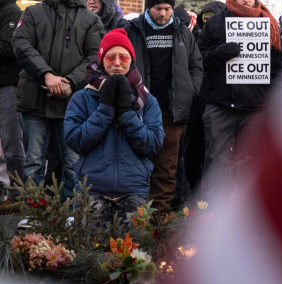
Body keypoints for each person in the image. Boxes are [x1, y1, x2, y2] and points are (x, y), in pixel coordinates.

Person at [64, 29, 164, 229]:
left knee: (134, 247)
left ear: (131, 60)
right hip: (92, 189)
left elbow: (153, 144)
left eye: (123, 57)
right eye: (111, 57)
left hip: (134, 189)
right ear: (102, 60)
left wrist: (126, 113)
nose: (117, 63)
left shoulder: (146, 100)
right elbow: (75, 140)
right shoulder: (82, 98)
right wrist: (105, 110)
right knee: (92, 247)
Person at [12, 0, 104, 201]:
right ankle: (33, 211)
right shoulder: (33, 12)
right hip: (35, 99)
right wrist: (45, 74)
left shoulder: (90, 19)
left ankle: (71, 212)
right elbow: (21, 44)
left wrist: (71, 82)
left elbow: (95, 56)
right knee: (33, 162)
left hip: (73, 103)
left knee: (73, 163)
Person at [119, 0, 203, 215]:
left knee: (166, 169)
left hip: (171, 112)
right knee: (135, 164)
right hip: (137, 110)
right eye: (158, 9)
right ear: (149, 8)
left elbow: (196, 65)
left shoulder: (183, 32)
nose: (163, 13)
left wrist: (189, 91)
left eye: (167, 9)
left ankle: (158, 221)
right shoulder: (131, 30)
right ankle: (134, 218)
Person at [198, 0, 282, 200]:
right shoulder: (215, 23)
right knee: (215, 163)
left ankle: (248, 212)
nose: (245, 0)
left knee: (250, 165)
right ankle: (210, 211)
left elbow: (279, 67)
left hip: (256, 108)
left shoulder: (270, 26)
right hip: (221, 104)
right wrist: (219, 54)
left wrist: (275, 98)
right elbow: (198, 59)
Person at [0, 0, 25, 213]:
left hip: (8, 86)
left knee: (12, 143)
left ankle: (17, 196)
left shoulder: (11, 10)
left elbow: (11, 47)